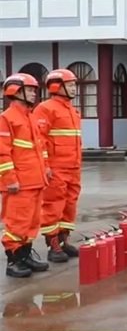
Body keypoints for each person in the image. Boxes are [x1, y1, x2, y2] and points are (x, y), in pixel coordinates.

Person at [1, 74, 51, 278]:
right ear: (16, 91)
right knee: (17, 221)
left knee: (32, 222)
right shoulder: (7, 118)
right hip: (19, 183)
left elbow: (40, 148)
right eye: (30, 90)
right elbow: (2, 152)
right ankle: (13, 261)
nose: (33, 93)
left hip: (35, 180)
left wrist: (46, 167)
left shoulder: (30, 117)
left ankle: (25, 255)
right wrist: (9, 179)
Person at [33, 69, 83, 263]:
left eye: (73, 85)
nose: (74, 89)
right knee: (53, 206)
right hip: (56, 168)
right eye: (70, 85)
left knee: (69, 205)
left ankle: (64, 241)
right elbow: (40, 140)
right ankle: (52, 244)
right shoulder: (45, 109)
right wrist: (45, 165)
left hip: (73, 167)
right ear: (56, 87)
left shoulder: (72, 110)